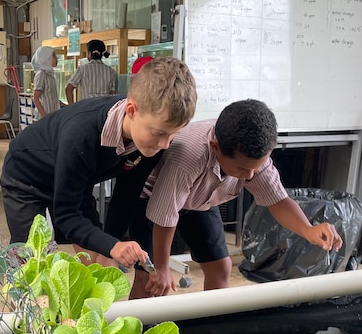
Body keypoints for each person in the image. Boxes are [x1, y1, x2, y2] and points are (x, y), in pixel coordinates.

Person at [116, 99, 343, 299]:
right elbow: (164, 213)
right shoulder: (189, 155)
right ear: (216, 147)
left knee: (221, 267)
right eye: (243, 169)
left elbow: (277, 199)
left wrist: (308, 230)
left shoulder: (252, 157)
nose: (250, 176)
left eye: (256, 168)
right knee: (151, 279)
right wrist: (163, 267)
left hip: (200, 200)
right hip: (153, 200)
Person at [0, 57, 197, 268]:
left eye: (173, 135)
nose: (165, 144)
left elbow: (125, 199)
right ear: (131, 110)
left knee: (102, 265)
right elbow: (66, 214)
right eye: (160, 133)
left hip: (78, 179)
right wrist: (112, 246)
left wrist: (111, 245)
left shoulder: (153, 141)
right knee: (29, 262)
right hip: (27, 177)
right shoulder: (82, 133)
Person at [64, 39, 117, 104]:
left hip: (85, 109)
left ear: (89, 53)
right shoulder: (111, 71)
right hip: (103, 108)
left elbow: (68, 88)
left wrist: (71, 107)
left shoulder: (82, 69)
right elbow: (112, 93)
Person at [31, 46, 61, 120]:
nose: (56, 58)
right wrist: (44, 116)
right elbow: (36, 98)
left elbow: (51, 97)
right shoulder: (41, 74)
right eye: (53, 56)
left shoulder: (50, 75)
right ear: (46, 58)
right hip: (44, 117)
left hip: (53, 115)